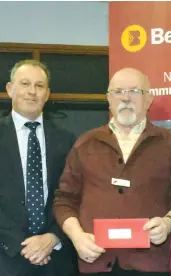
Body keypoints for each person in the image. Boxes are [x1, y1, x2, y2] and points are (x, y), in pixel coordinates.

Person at [53, 68, 171, 275]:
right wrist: (77, 237)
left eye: (135, 91)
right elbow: (64, 200)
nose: (126, 98)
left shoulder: (169, 144)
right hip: (96, 263)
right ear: (108, 98)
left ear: (149, 99)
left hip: (150, 265)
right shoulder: (85, 144)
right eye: (118, 91)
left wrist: (169, 223)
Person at [0, 59, 77, 276]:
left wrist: (53, 238)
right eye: (25, 84)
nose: (32, 92)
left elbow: (75, 195)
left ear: (48, 93)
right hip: (6, 257)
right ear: (9, 89)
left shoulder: (68, 140)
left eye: (39, 86)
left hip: (56, 257)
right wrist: (20, 246)